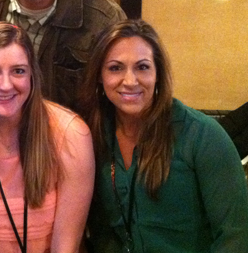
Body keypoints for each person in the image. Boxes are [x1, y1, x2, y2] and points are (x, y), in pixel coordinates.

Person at [79, 19, 248, 252]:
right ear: (99, 75)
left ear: (158, 73)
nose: (130, 81)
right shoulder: (90, 135)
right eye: (115, 68)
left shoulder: (202, 136)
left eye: (142, 67)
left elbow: (236, 235)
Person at [0, 22, 95, 253]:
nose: (5, 85)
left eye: (18, 71)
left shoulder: (71, 134)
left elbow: (66, 247)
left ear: (32, 75)